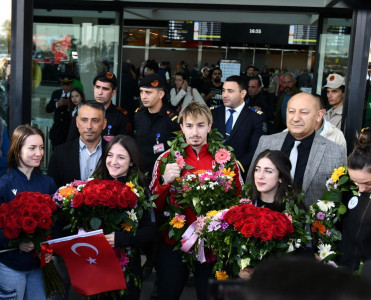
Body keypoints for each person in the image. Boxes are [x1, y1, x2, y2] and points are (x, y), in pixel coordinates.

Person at [150, 102, 243, 300]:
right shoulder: (166, 159)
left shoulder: (226, 159)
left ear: (210, 126)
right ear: (181, 127)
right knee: (167, 294)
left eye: (201, 125)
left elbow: (240, 201)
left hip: (214, 244)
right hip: (175, 242)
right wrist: (164, 181)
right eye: (189, 126)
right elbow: (153, 207)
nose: (195, 132)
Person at [247, 92, 347, 207]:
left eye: (303, 112)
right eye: (291, 112)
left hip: (311, 222)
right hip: (266, 219)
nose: (295, 118)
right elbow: (251, 185)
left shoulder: (335, 151)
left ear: (319, 116)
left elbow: (339, 197)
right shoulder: (267, 142)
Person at [93, 135, 156, 300]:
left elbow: (150, 231)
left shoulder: (141, 191)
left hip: (128, 268)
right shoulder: (91, 187)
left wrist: (121, 238)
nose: (113, 162)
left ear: (132, 161)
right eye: (110, 155)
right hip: (96, 265)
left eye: (121, 157)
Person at [0, 125, 56, 300]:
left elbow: (56, 223)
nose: (39, 153)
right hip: (11, 265)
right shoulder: (4, 184)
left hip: (39, 266)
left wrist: (48, 248)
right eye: (32, 148)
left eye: (41, 147)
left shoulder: (48, 183)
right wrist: (16, 243)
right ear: (17, 150)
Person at [239, 150, 307, 280]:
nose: (260, 176)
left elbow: (304, 258)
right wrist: (239, 270)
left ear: (280, 177)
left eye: (268, 171)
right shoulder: (243, 206)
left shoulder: (296, 211)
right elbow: (228, 254)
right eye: (257, 170)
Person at [211, 75, 266, 178]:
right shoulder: (213, 113)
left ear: (243, 93)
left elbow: (255, 149)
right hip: (212, 172)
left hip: (241, 175)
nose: (225, 95)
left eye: (230, 91)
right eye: (223, 90)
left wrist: (235, 168)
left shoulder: (255, 117)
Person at [48, 101, 107, 188]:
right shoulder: (60, 152)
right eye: (84, 120)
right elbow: (52, 190)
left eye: (95, 120)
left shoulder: (113, 151)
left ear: (104, 124)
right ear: (76, 122)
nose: (89, 126)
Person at [337, 127, 371, 271]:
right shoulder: (345, 189)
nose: (361, 189)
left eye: (367, 183)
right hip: (343, 270)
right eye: (355, 182)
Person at [135, 74, 180, 176]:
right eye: (141, 92)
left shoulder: (173, 120)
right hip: (141, 174)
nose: (143, 96)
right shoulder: (138, 115)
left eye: (148, 92)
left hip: (163, 175)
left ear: (161, 94)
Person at [67, 71, 131, 141]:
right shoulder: (82, 111)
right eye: (97, 87)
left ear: (113, 93)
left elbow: (124, 145)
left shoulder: (121, 116)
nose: (100, 92)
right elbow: (71, 141)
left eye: (105, 89)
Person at [46, 74, 74, 149]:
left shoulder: (75, 94)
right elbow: (48, 109)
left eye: (68, 84)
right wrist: (57, 104)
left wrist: (70, 105)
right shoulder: (56, 93)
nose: (65, 87)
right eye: (63, 84)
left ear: (71, 84)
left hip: (69, 131)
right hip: (56, 131)